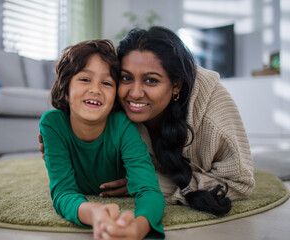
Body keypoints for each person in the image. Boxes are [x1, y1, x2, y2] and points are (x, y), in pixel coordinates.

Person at [39, 26, 255, 217]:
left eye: (151, 80)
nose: (134, 93)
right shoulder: (112, 101)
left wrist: (157, 183)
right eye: (126, 78)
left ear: (176, 85)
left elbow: (240, 182)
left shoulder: (212, 114)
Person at [39, 39, 165, 240]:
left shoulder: (122, 125)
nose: (96, 89)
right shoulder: (52, 124)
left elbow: (149, 191)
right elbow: (63, 193)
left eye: (106, 83)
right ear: (66, 86)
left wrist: (138, 228)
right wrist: (94, 213)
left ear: (115, 95)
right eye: (85, 79)